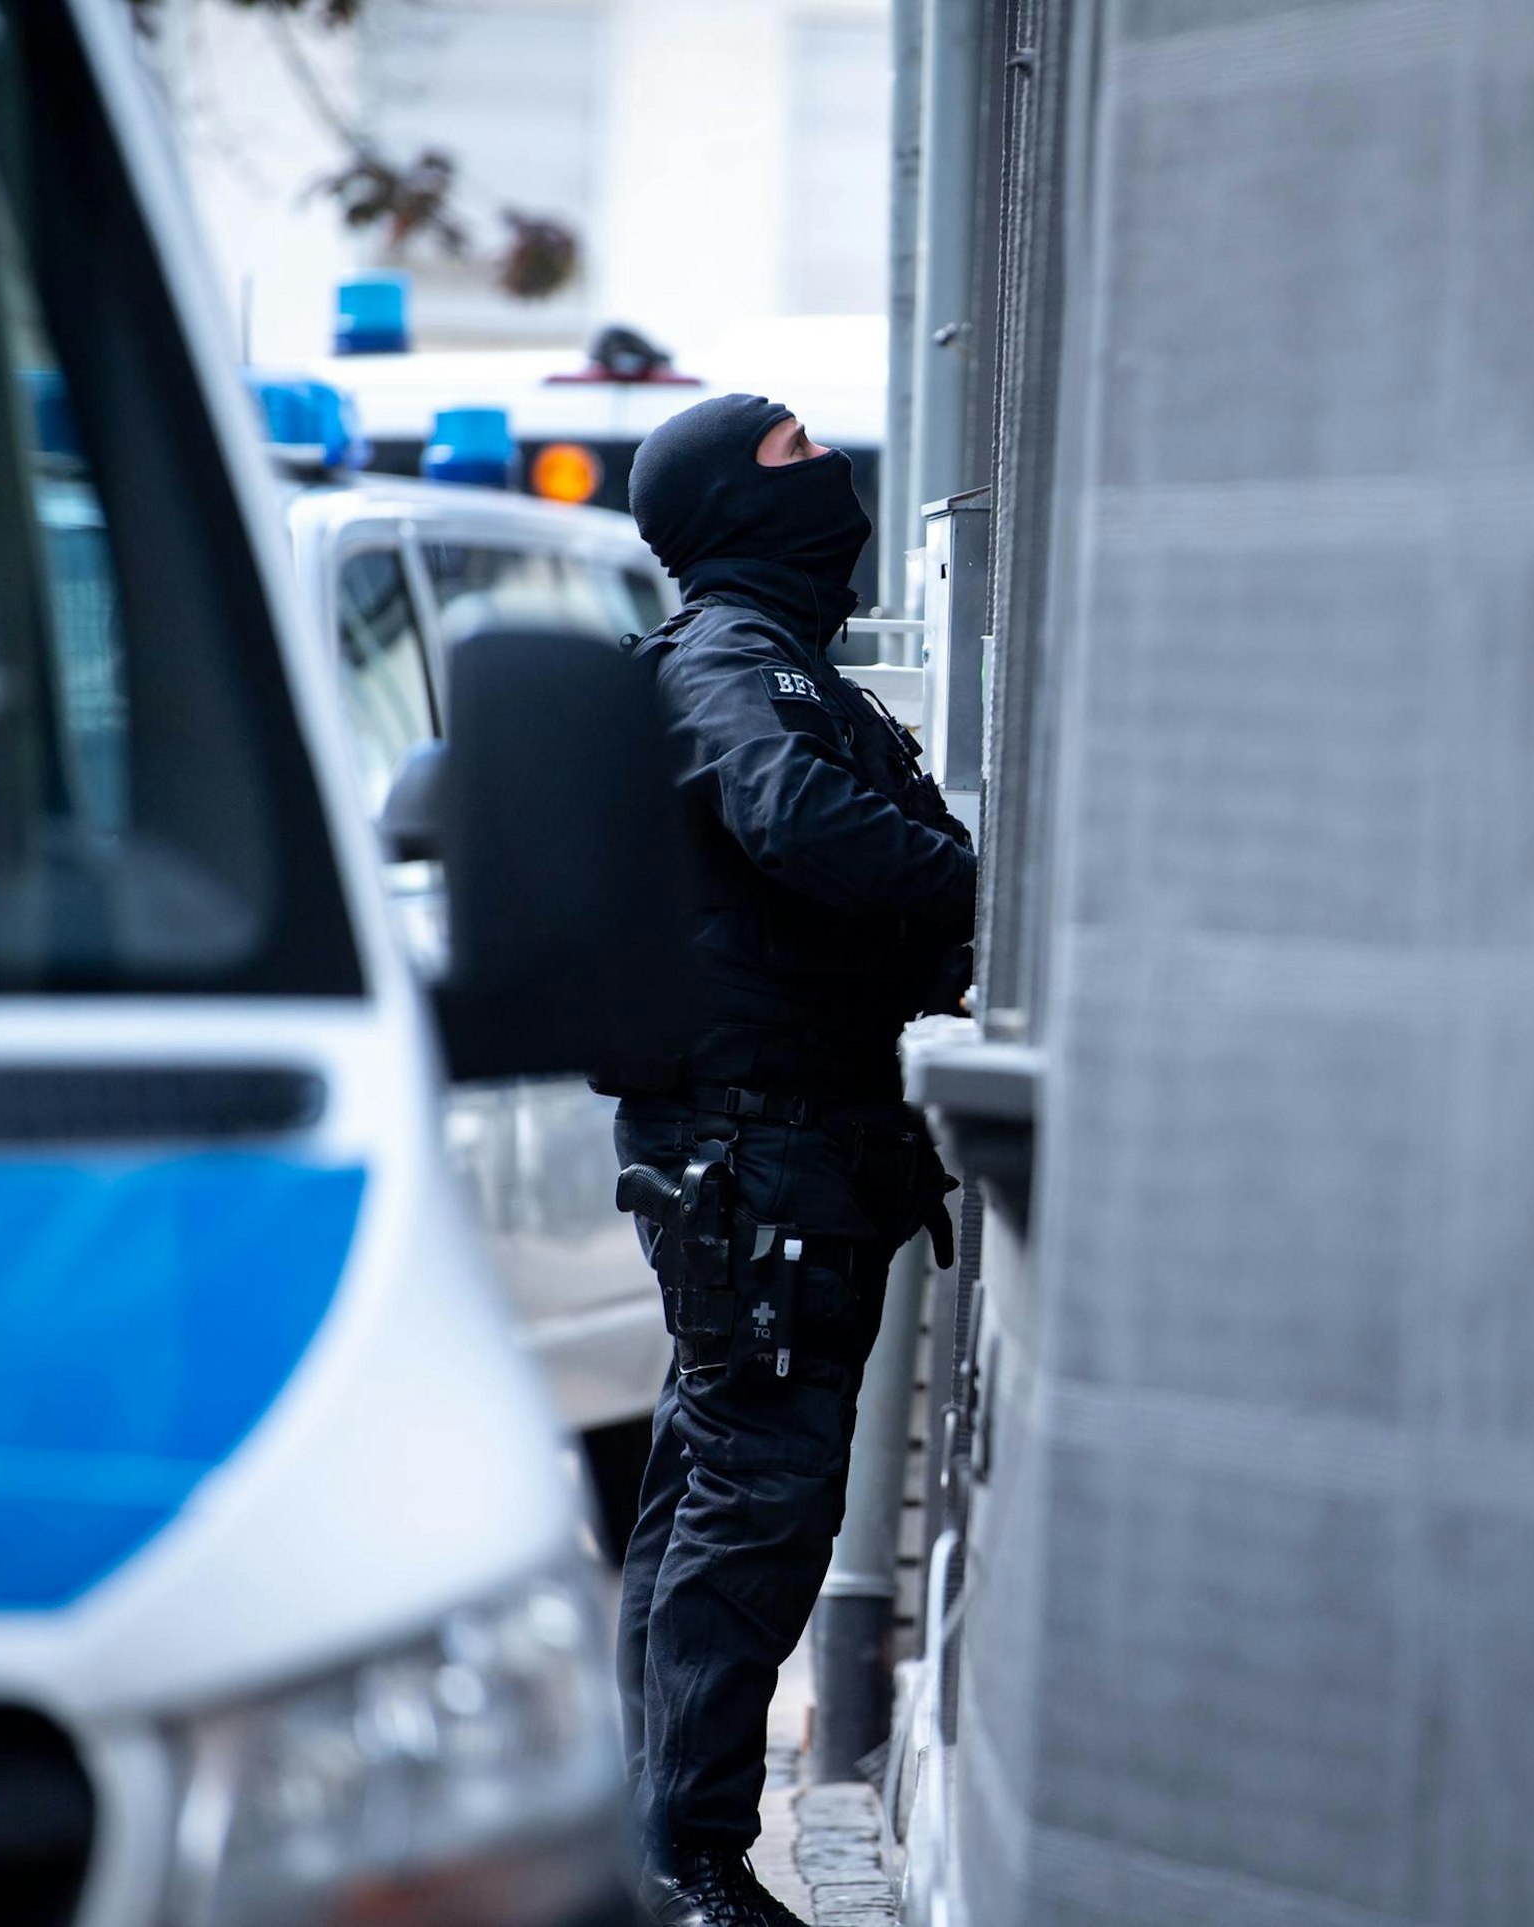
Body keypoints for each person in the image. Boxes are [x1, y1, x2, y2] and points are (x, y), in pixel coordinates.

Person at [603, 393, 976, 1927]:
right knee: (752, 1502)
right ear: (732, 509)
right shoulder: (730, 665)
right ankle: (689, 1869)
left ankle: (656, 1845)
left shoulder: (774, 660)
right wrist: (984, 893)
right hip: (758, 1160)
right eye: (792, 452)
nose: (831, 470)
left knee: (706, 1481)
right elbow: (792, 815)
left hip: (780, 1153)